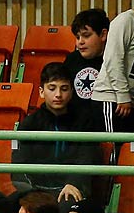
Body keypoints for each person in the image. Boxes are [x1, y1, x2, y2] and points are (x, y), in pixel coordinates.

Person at [14, 63, 107, 203]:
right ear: (41, 91)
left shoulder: (85, 122)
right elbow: (19, 165)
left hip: (72, 189)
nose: (58, 95)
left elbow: (86, 159)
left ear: (71, 91)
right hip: (35, 191)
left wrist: (73, 183)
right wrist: (31, 192)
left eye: (64, 89)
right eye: (52, 88)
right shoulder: (29, 123)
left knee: (66, 208)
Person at [64, 9, 113, 122]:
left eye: (86, 36)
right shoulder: (71, 60)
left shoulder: (113, 60)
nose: (80, 42)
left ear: (103, 34)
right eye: (77, 37)